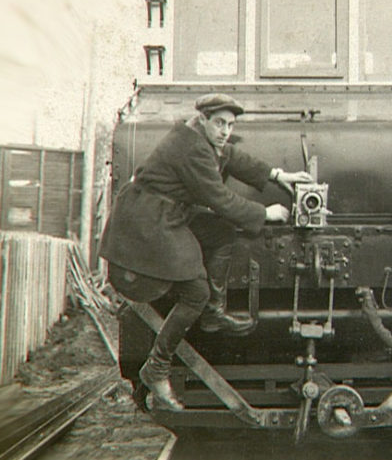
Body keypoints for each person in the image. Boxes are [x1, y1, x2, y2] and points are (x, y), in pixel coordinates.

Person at [99, 93, 312, 410]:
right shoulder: (192, 148)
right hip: (148, 222)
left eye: (230, 124)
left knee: (221, 231)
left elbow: (233, 158)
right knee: (195, 290)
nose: (225, 130)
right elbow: (220, 199)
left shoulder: (200, 139)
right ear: (203, 119)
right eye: (220, 123)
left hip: (164, 213)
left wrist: (277, 175)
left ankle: (213, 311)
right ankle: (156, 367)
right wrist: (265, 213)